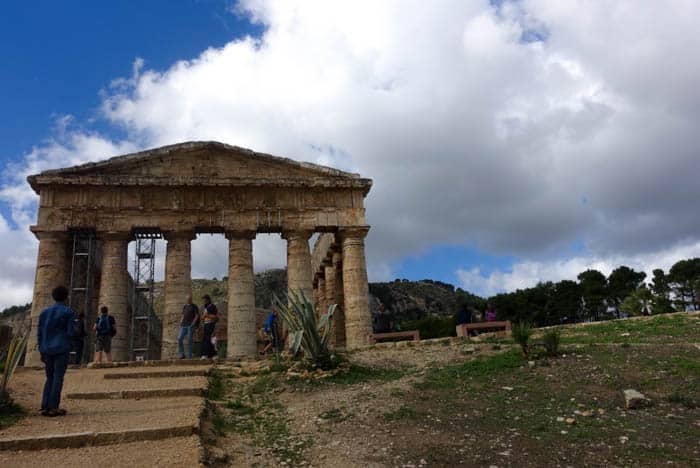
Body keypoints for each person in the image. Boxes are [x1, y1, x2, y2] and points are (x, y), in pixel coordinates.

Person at [38, 285, 74, 417]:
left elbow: (40, 333)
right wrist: (70, 344)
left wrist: (41, 350)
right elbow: (70, 332)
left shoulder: (44, 313)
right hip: (61, 348)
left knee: (49, 377)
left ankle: (44, 406)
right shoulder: (68, 312)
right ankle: (53, 407)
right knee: (58, 377)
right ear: (66, 297)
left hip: (46, 349)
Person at [178, 294, 199, 359]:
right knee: (179, 338)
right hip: (183, 325)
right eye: (187, 299)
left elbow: (197, 315)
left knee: (189, 340)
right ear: (186, 300)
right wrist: (181, 321)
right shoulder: (185, 306)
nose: (188, 300)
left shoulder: (194, 306)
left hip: (190, 325)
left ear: (191, 299)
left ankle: (189, 356)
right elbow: (183, 315)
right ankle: (181, 354)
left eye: (190, 299)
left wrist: (193, 323)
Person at [199, 294, 218, 360]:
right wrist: (203, 318)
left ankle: (213, 355)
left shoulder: (212, 306)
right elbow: (203, 317)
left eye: (204, 299)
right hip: (206, 325)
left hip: (211, 325)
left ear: (207, 299)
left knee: (211, 340)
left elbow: (215, 317)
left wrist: (206, 315)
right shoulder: (205, 307)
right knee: (205, 340)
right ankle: (206, 354)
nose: (203, 301)